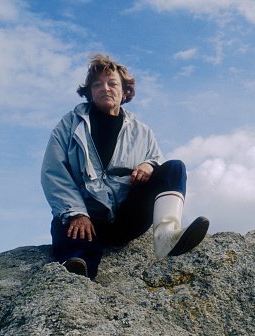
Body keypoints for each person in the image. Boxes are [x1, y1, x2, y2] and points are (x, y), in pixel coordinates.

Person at [41, 54, 209, 280]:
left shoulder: (141, 131)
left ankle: (167, 237)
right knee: (73, 246)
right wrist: (75, 213)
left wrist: (149, 166)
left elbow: (156, 158)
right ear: (89, 91)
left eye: (112, 83)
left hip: (126, 218)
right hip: (85, 219)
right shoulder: (69, 125)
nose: (105, 88)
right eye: (97, 84)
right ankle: (78, 272)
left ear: (125, 91)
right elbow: (53, 171)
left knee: (175, 168)